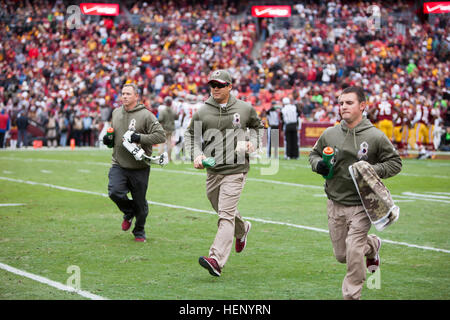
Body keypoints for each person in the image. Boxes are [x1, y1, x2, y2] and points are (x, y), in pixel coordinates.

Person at [309, 86, 402, 300]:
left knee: (352, 251)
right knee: (342, 255)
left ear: (362, 106)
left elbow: (395, 163)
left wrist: (371, 170)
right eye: (341, 103)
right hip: (335, 202)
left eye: (349, 103)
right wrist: (318, 165)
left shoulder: (375, 136)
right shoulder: (330, 133)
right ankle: (373, 246)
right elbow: (313, 155)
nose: (343, 107)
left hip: (363, 204)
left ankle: (351, 296)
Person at [185, 69, 263, 277]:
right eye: (212, 85)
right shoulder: (202, 111)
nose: (215, 88)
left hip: (236, 170)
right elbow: (191, 135)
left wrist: (252, 142)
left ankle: (216, 259)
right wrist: (196, 154)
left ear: (229, 86)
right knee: (220, 207)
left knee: (225, 215)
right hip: (213, 170)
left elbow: (258, 127)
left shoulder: (244, 108)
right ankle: (242, 229)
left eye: (220, 85)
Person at [104, 83, 166, 242]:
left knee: (140, 203)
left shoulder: (146, 115)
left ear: (136, 96)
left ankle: (139, 231)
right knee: (114, 191)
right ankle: (129, 212)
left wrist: (140, 138)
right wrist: (108, 140)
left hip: (140, 167)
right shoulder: (116, 112)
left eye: (128, 94)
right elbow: (113, 136)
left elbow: (161, 136)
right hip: (119, 163)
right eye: (123, 93)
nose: (124, 96)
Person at [158, 96, 176, 160]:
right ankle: (169, 157)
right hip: (171, 129)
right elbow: (177, 117)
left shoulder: (163, 111)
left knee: (161, 142)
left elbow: (160, 119)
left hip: (164, 128)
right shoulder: (173, 111)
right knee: (169, 143)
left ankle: (160, 155)